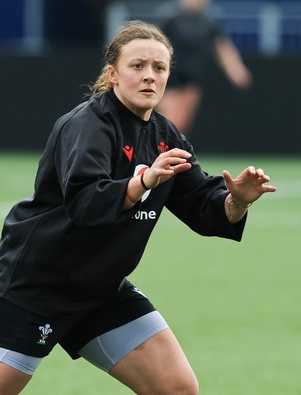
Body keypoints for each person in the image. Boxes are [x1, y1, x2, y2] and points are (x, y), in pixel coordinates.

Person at [0, 20, 276, 395]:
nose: (150, 76)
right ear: (113, 74)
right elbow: (85, 202)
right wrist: (143, 181)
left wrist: (237, 201)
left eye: (159, 68)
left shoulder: (165, 135)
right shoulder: (87, 124)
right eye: (138, 66)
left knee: (177, 388)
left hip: (100, 289)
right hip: (37, 285)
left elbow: (203, 205)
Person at [157, 0, 252, 134]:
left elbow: (222, 46)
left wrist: (236, 69)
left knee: (182, 125)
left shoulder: (210, 19)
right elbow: (156, 43)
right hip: (169, 78)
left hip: (192, 78)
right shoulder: (170, 15)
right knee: (172, 123)